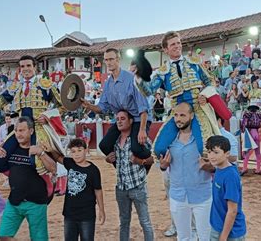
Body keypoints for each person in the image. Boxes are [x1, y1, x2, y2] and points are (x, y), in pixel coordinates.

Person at [0, 56, 66, 198]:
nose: (25, 69)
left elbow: (63, 106)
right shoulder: (15, 87)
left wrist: (48, 116)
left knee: (38, 162)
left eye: (28, 65)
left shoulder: (46, 84)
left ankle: (48, 185)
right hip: (20, 130)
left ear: (34, 67)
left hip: (39, 128)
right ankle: (19, 179)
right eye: (22, 66)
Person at [135, 31, 231, 158]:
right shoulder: (162, 71)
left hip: (198, 108)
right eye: (173, 44)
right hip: (178, 112)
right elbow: (150, 91)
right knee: (158, 149)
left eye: (178, 43)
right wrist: (139, 80)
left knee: (205, 149)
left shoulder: (194, 62)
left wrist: (206, 95)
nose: (177, 46)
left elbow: (210, 80)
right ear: (166, 49)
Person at [81, 48, 153, 165]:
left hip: (138, 119)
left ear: (118, 60)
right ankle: (122, 166)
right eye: (106, 60)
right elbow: (102, 108)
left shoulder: (132, 79)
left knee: (136, 148)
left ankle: (148, 161)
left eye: (111, 59)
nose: (108, 62)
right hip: (122, 119)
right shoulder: (108, 84)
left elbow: (143, 107)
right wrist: (89, 106)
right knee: (104, 146)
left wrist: (142, 129)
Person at [0, 117, 56, 240]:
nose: (18, 134)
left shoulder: (41, 145)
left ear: (31, 131)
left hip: (36, 202)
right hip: (14, 200)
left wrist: (41, 153)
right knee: (4, 236)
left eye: (22, 130)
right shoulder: (10, 150)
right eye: (16, 130)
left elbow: (53, 168)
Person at [159, 103, 213, 241]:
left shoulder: (203, 140)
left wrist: (210, 168)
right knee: (183, 237)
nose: (178, 119)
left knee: (205, 237)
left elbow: (218, 165)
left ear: (192, 116)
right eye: (176, 115)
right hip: (178, 196)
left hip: (202, 196)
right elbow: (164, 166)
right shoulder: (169, 141)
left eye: (182, 115)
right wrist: (163, 166)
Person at [105, 110, 154, 241]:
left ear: (131, 121)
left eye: (123, 118)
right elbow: (113, 159)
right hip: (121, 188)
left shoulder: (140, 138)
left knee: (145, 221)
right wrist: (107, 159)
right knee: (124, 222)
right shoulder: (114, 141)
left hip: (138, 186)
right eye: (117, 119)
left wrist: (140, 161)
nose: (119, 121)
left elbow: (151, 160)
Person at [52, 138, 105, 241]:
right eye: (73, 151)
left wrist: (101, 210)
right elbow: (58, 157)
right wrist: (49, 147)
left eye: (79, 150)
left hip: (87, 215)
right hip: (69, 214)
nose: (76, 154)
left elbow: (98, 190)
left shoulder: (93, 170)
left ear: (86, 150)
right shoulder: (70, 163)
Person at [206, 136, 246, 241]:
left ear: (227, 154)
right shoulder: (219, 168)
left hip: (231, 233)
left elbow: (232, 210)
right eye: (209, 152)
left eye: (216, 152)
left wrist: (223, 237)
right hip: (218, 227)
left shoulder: (230, 176)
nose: (211, 156)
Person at [240, 105, 261, 176]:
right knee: (257, 153)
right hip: (256, 134)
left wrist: (242, 131)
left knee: (246, 152)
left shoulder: (247, 114)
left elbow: (243, 124)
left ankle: (244, 168)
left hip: (249, 134)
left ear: (249, 110)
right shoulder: (260, 115)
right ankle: (258, 169)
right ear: (256, 110)